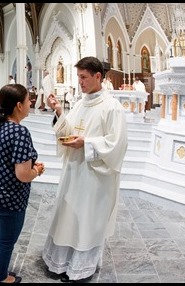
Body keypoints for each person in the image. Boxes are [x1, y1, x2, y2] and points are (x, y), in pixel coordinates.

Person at [42, 56, 128, 283]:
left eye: (83, 77)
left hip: (94, 178)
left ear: (98, 76)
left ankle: (80, 268)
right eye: (78, 77)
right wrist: (59, 111)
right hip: (73, 170)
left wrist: (87, 143)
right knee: (68, 217)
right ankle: (61, 262)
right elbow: (69, 129)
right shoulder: (80, 103)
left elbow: (117, 144)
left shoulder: (112, 108)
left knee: (87, 220)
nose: (79, 82)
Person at [0, 83, 45, 283]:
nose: (31, 103)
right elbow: (23, 174)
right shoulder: (19, 132)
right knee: (7, 240)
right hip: (9, 198)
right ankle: (1, 277)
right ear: (19, 105)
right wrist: (37, 170)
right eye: (28, 100)